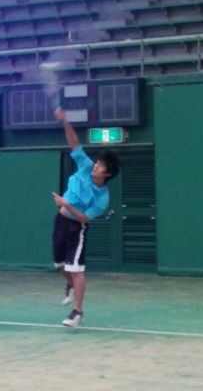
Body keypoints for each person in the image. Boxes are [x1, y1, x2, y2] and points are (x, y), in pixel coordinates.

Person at [52, 107, 120, 327]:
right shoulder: (85, 166)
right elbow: (74, 143)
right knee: (59, 264)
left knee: (77, 269)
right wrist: (65, 122)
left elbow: (83, 218)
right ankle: (70, 285)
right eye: (97, 163)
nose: (96, 166)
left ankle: (77, 312)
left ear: (107, 174)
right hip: (60, 221)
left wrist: (66, 204)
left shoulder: (102, 198)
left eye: (100, 167)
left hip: (76, 228)